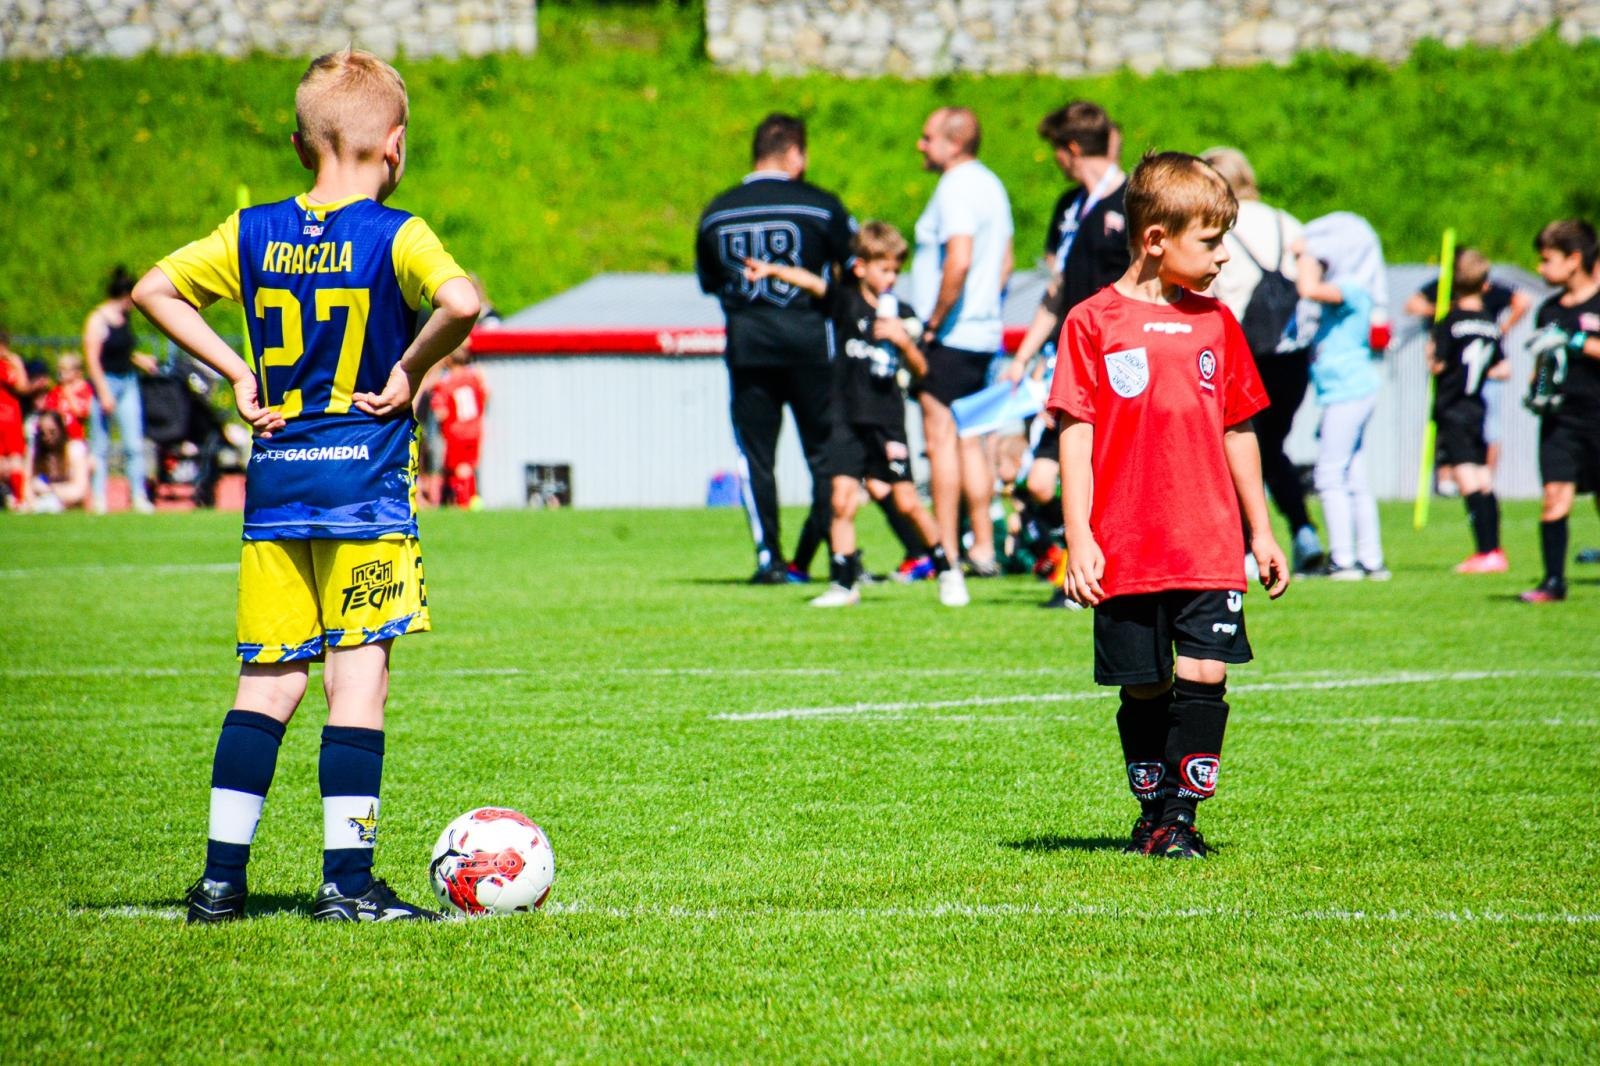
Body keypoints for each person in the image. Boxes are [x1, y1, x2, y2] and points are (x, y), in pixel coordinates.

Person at [133, 47, 480, 923]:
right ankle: (348, 884)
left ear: (299, 145)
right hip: (363, 490)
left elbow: (154, 289)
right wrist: (407, 369)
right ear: (394, 146)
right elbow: (464, 302)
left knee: (267, 684)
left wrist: (235, 372)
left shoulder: (251, 232)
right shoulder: (397, 232)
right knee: (357, 682)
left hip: (276, 487)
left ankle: (219, 883)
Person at [1053, 151, 1288, 859]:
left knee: (1204, 673)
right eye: (1210, 241)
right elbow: (1074, 435)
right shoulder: (1092, 322)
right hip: (1126, 542)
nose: (1222, 257)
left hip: (1208, 539)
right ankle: (1152, 812)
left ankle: (1182, 818)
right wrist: (1079, 538)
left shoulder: (1218, 324)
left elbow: (1238, 427)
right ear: (1156, 239)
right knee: (1146, 686)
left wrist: (1262, 531)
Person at [745, 221, 970, 608]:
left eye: (896, 271)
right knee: (841, 500)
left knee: (906, 503)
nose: (891, 278)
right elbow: (813, 283)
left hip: (885, 419)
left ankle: (946, 568)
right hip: (846, 417)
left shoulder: (903, 313)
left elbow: (921, 370)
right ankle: (844, 583)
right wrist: (774, 270)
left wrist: (901, 339)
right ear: (861, 267)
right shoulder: (846, 301)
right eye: (884, 269)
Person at [696, 113, 855, 584]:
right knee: (826, 456)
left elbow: (710, 283)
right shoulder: (821, 207)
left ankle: (771, 559)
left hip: (749, 349)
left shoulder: (717, 212)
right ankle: (825, 555)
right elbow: (855, 273)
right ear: (796, 154)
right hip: (814, 348)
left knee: (757, 458)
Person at [1000, 101, 1128, 605]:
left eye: (1055, 151)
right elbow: (1056, 291)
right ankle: (1076, 563)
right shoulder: (1069, 208)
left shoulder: (1131, 201)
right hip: (1070, 364)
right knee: (1040, 482)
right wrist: (1023, 355)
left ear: (1071, 150)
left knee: (1110, 473)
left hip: (1117, 360)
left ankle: (1091, 578)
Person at [1199, 146, 1324, 574]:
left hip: (1241, 353)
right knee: (1270, 447)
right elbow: (1310, 279)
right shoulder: (1283, 220)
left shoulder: (1216, 226)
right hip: (1291, 356)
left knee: (1235, 445)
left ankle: (1245, 547)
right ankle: (1302, 529)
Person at [911, 106, 1014, 575]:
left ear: (953, 144)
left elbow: (959, 258)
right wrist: (983, 310)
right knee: (972, 439)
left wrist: (933, 322)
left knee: (941, 440)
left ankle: (947, 550)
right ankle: (984, 548)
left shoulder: (954, 187)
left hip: (951, 335)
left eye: (928, 137)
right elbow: (1006, 262)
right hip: (982, 332)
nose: (921, 145)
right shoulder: (992, 184)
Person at [1295, 212, 1389, 580]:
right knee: (1353, 475)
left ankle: (1344, 560)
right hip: (1351, 388)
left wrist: (1305, 254)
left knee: (1330, 474)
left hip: (1347, 390)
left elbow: (1307, 288)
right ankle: (1370, 559)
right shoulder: (1356, 288)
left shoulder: (1351, 287)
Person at [1520, 219, 1600, 603]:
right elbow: (1543, 365)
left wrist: (1576, 340)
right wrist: (1537, 391)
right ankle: (1553, 582)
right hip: (1561, 420)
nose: (1540, 268)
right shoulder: (1548, 310)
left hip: (1597, 416)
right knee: (1554, 494)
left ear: (1574, 259)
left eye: (1546, 260)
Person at [1406, 255, 1532, 480]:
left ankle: (1466, 482)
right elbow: (1413, 305)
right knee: (1478, 429)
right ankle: (1474, 481)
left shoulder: (1453, 319)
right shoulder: (1481, 319)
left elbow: (1437, 365)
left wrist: (1504, 328)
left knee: (1473, 428)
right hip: (1475, 379)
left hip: (1463, 381)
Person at [1426, 248, 1509, 573]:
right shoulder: (1491, 323)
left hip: (1452, 406)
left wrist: (1432, 355)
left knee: (1467, 478)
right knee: (1484, 477)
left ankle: (1485, 552)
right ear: (1485, 285)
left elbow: (1438, 365)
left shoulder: (1450, 321)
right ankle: (1495, 550)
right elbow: (1504, 369)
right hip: (1477, 406)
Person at [84, 266, 159, 514]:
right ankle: (99, 499)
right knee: (100, 445)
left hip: (128, 381)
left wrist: (140, 360)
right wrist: (104, 392)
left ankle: (138, 496)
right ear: (126, 296)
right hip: (105, 382)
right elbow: (93, 359)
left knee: (133, 443)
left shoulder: (125, 319)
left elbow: (123, 352)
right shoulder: (98, 319)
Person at [430, 345, 489, 509]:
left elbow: (440, 411)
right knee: (468, 466)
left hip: (456, 431)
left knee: (460, 468)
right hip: (475, 429)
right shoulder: (474, 378)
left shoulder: (446, 383)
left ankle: (465, 502)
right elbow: (486, 394)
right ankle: (465, 500)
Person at [22, 410, 90, 512]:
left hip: (69, 502)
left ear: (61, 430)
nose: (47, 437)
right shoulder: (34, 451)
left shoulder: (75, 450)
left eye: (52, 432)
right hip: (41, 501)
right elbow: (26, 485)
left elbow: (80, 489)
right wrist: (32, 502)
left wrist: (50, 490)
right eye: (43, 433)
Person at [0, 332, 25, 510]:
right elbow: (21, 386)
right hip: (6, 417)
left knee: (14, 461)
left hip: (10, 419)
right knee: (8, 462)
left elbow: (21, 387)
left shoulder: (7, 365)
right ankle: (14, 498)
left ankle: (16, 498)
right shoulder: (5, 366)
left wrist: (16, 364)